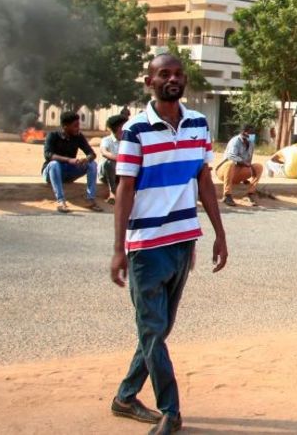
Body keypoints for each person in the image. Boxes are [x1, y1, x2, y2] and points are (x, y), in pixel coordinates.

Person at [109, 53, 228, 434]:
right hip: (146, 246)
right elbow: (125, 188)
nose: (172, 79)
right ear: (150, 82)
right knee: (153, 329)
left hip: (182, 242)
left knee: (158, 329)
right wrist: (118, 248)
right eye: (164, 74)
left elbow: (204, 179)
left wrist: (219, 233)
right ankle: (170, 410)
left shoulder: (197, 124)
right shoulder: (135, 131)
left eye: (177, 73)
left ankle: (125, 396)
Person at [43, 111, 101, 214]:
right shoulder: (53, 135)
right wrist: (69, 160)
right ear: (65, 126)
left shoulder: (78, 136)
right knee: (54, 164)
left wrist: (86, 159)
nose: (78, 128)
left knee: (92, 164)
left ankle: (90, 199)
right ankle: (61, 201)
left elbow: (92, 154)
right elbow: (48, 155)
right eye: (75, 126)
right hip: (52, 172)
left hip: (69, 172)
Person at [216, 124, 262, 207]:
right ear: (244, 132)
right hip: (224, 171)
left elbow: (249, 160)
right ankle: (227, 195)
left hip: (237, 172)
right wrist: (244, 163)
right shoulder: (235, 141)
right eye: (251, 133)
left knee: (258, 167)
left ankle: (249, 193)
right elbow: (231, 156)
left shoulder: (251, 143)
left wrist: (245, 177)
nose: (252, 135)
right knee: (230, 164)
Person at [100, 114, 127, 205]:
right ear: (117, 128)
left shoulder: (127, 140)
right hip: (108, 172)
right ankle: (112, 193)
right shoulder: (106, 140)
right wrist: (120, 159)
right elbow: (104, 152)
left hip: (122, 172)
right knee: (109, 162)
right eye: (123, 126)